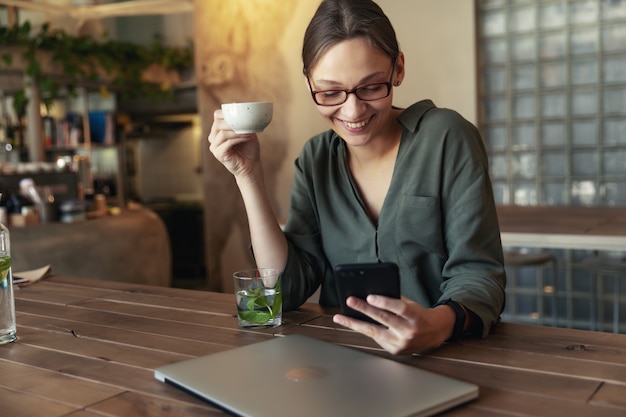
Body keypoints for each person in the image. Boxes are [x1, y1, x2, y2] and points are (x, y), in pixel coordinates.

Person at [208, 0, 506, 355]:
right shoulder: (316, 159)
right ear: (309, 84)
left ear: (398, 69)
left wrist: (434, 326)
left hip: (444, 354)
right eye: (331, 93)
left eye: (370, 87)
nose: (352, 111)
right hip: (342, 360)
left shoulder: (446, 137)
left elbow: (480, 274)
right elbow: (285, 290)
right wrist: (248, 175)